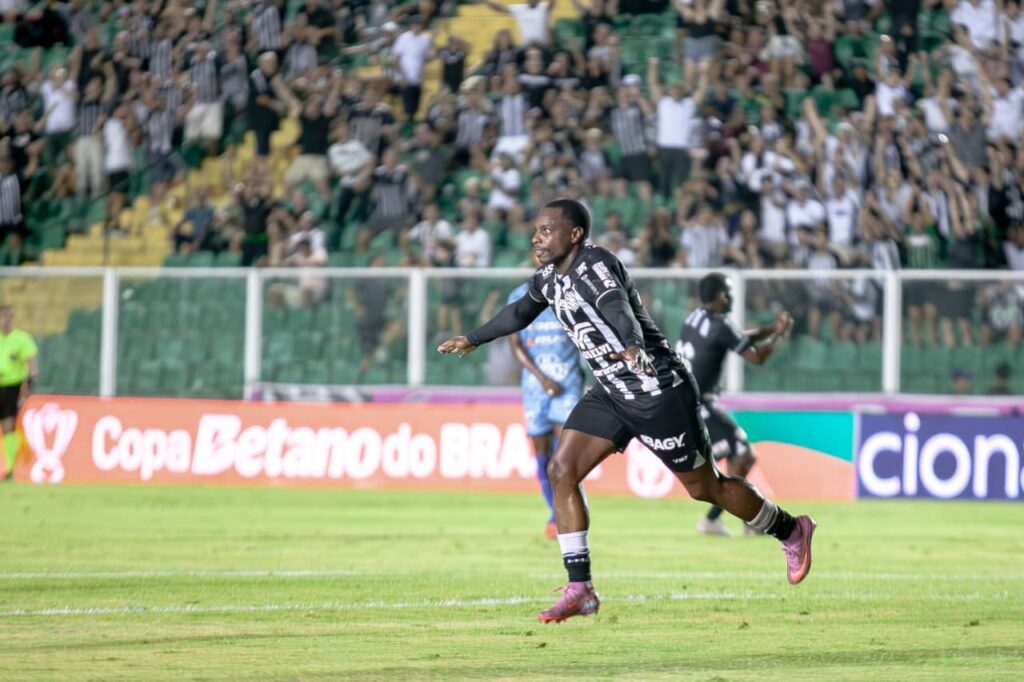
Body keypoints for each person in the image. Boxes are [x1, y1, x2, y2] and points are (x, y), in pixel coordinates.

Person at [438, 198, 816, 623]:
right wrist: (473, 337)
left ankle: (791, 528)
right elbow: (521, 311)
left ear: (575, 234)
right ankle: (580, 588)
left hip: (658, 390)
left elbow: (616, 305)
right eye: (536, 230)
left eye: (546, 230)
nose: (536, 238)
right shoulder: (548, 279)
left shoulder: (595, 265)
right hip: (613, 393)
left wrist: (632, 344)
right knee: (562, 470)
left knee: (704, 488)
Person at [677, 273, 792, 536]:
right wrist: (779, 336)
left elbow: (735, 337)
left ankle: (736, 519)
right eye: (728, 292)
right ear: (719, 296)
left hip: (686, 402)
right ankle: (730, 520)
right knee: (743, 454)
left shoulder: (693, 319)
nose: (731, 298)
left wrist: (770, 328)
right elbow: (757, 357)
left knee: (737, 456)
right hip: (701, 404)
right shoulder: (721, 325)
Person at [507, 259, 584, 540]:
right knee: (541, 455)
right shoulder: (518, 296)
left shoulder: (573, 293)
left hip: (569, 385)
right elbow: (514, 343)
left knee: (565, 456)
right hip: (535, 388)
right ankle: (555, 511)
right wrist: (542, 379)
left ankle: (561, 516)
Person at [0, 305, 37, 480]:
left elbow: (31, 361)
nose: (4, 321)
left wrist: (29, 381)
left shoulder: (21, 339)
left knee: (8, 426)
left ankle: (10, 469)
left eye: (7, 317)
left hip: (10, 386)